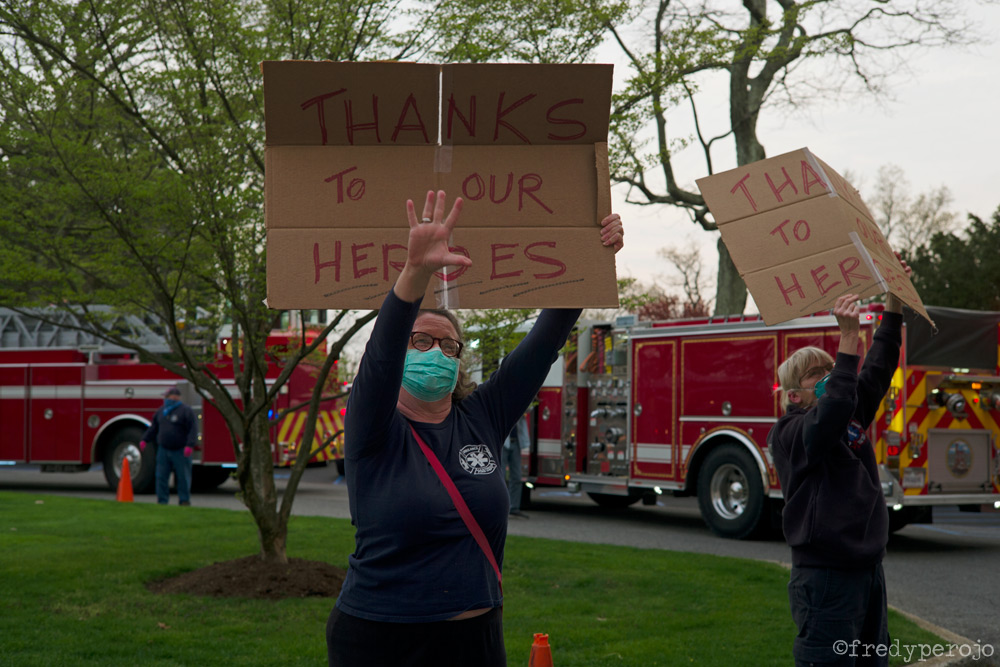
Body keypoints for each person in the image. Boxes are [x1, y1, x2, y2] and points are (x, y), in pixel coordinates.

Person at [326, 190, 624, 667]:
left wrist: (590, 254)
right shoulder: (373, 427)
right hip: (381, 639)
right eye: (421, 341)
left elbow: (545, 341)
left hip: (477, 640)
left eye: (449, 346)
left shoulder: (481, 418)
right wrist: (415, 271)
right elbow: (381, 355)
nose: (437, 352)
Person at [769, 254, 910, 667]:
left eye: (831, 368)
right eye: (817, 374)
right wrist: (848, 340)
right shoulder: (790, 432)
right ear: (794, 395)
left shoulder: (849, 411)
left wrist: (895, 300)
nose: (830, 374)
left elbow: (879, 364)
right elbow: (827, 417)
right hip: (825, 578)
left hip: (867, 571)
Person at [140, 385, 199, 506]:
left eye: (167, 397)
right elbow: (154, 428)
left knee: (183, 477)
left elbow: (193, 429)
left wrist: (190, 445)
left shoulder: (185, 411)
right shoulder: (161, 411)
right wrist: (145, 439)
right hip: (164, 449)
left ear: (175, 397)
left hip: (180, 450)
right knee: (161, 476)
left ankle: (184, 500)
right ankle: (162, 500)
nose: (165, 399)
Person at [503, 410, 531, 518]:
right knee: (500, 476)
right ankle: (501, 507)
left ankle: (514, 507)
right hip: (503, 442)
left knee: (517, 476)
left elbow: (527, 410)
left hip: (516, 442)